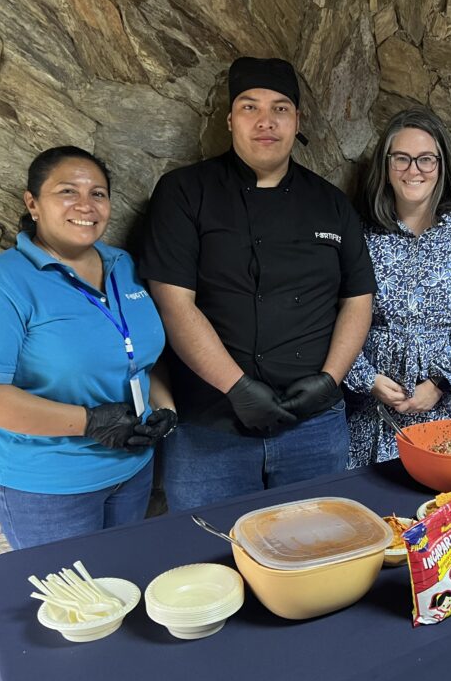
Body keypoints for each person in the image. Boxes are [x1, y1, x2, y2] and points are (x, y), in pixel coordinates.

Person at [138, 57, 376, 511]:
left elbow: (357, 298)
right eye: (250, 107)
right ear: (230, 120)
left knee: (319, 554)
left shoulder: (331, 203)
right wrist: (236, 387)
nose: (266, 121)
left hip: (314, 427)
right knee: (212, 559)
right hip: (210, 428)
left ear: (297, 121)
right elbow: (173, 304)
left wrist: (330, 381)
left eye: (280, 108)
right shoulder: (184, 192)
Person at [0, 147, 176, 550]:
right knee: (78, 606)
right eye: (67, 191)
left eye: (98, 194)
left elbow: (140, 358)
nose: (85, 205)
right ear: (33, 203)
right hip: (48, 487)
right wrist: (90, 422)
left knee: (124, 583)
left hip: (133, 470)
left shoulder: (123, 265)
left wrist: (166, 407)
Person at [344, 108, 451, 467]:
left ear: (441, 165)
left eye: (426, 159)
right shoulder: (360, 234)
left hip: (449, 411)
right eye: (401, 158)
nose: (413, 170)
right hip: (374, 412)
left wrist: (438, 385)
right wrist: (367, 378)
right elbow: (335, 313)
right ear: (385, 166)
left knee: (443, 514)